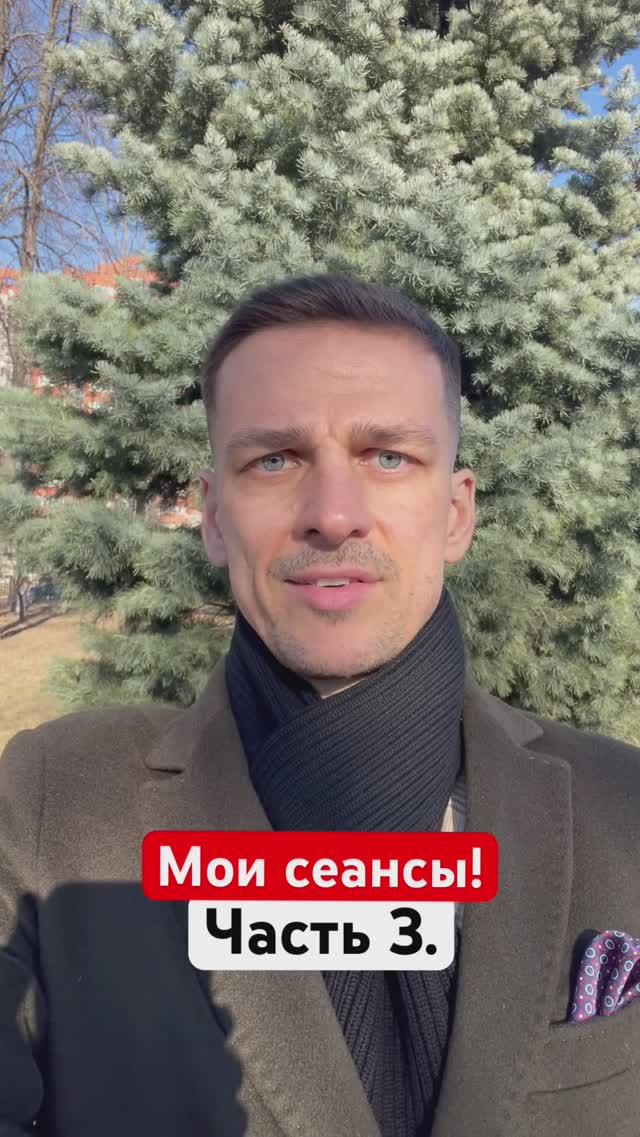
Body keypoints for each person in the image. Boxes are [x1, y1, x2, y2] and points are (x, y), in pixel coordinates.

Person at [1, 273, 639, 1137]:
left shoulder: (623, 808)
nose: (334, 516)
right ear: (214, 516)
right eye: (275, 460)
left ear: (457, 513)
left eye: (388, 457)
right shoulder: (54, 806)